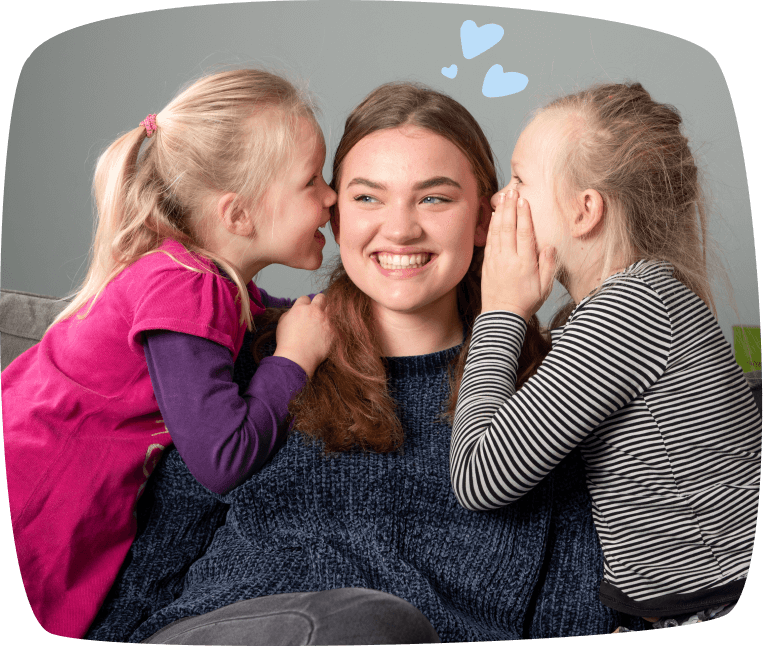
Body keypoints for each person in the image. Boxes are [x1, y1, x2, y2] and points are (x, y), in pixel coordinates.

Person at [85, 81, 646, 645]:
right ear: (334, 217)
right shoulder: (260, 356)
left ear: (485, 219)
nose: (399, 229)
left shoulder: (556, 390)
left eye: (434, 198)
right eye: (368, 198)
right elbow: (157, 560)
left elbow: (582, 594)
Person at [2, 68, 337, 639]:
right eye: (312, 181)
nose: (331, 196)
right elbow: (222, 458)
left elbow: (271, 317)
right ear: (237, 215)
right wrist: (293, 362)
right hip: (36, 504)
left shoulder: (197, 273)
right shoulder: (186, 288)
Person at [450, 82, 761, 631]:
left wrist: (499, 310)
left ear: (585, 210)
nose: (499, 199)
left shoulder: (629, 310)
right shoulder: (628, 302)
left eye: (520, 180)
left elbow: (480, 475)